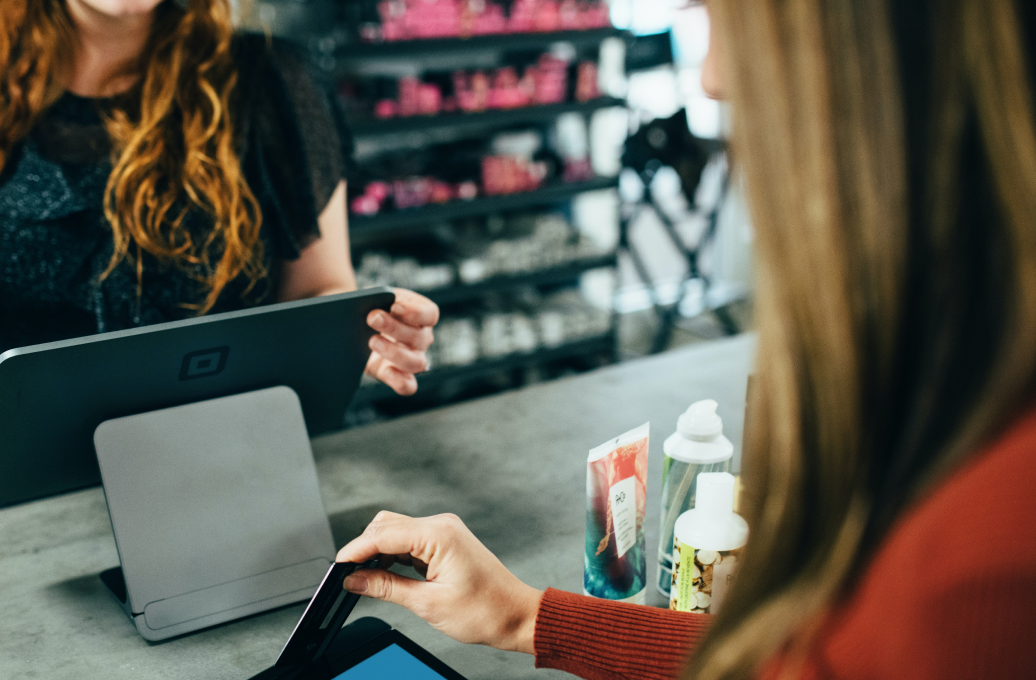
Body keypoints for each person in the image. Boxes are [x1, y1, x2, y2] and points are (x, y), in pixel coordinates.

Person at [336, 0, 1036, 678]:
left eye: (726, 14)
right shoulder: (955, 420)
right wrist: (525, 618)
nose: (711, 78)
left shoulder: (983, 560)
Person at [0, 0, 439, 527]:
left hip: (232, 500)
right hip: (21, 518)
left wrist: (361, 331)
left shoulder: (270, 83)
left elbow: (316, 291)